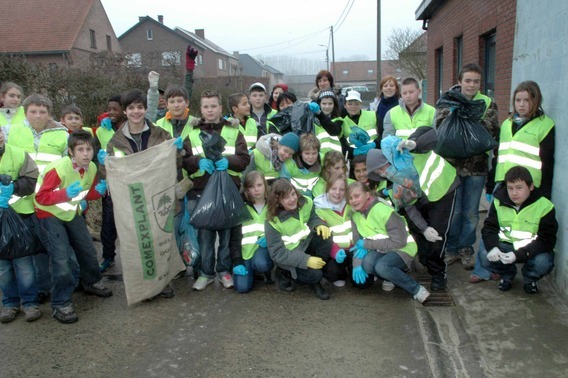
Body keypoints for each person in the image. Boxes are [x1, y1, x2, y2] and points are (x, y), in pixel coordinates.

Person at [99, 89, 184, 298]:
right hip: (133, 202)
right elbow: (111, 174)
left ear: (146, 109)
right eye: (131, 108)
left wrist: (178, 151)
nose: (136, 111)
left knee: (159, 241)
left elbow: (175, 165)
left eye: (140, 107)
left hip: (157, 197)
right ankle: (144, 286)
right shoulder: (115, 142)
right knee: (138, 244)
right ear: (125, 112)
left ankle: (162, 283)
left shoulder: (160, 134)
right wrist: (104, 167)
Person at [35, 130, 113, 324]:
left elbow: (86, 193)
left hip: (72, 213)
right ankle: (60, 303)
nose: (86, 153)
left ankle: (91, 282)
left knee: (87, 247)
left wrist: (98, 191)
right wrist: (64, 194)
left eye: (89, 149)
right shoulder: (59, 168)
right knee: (60, 258)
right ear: (71, 151)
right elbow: (40, 197)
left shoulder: (92, 168)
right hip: (49, 215)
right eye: (80, 149)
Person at [368, 128, 460, 292]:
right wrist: (424, 229)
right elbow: (410, 209)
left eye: (382, 167)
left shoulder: (402, 150)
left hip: (444, 189)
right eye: (378, 172)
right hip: (423, 199)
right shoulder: (393, 183)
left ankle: (438, 273)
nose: (383, 173)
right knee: (420, 232)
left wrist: (415, 143)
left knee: (438, 233)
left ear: (388, 158)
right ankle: (427, 260)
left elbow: (432, 135)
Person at [183, 90, 251, 291]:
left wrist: (227, 161)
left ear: (221, 108)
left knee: (226, 237)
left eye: (213, 106)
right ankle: (206, 273)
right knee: (205, 237)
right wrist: (197, 162)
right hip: (201, 191)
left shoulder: (233, 132)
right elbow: (184, 161)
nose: (210, 110)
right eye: (206, 106)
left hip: (228, 192)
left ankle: (223, 271)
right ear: (201, 109)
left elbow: (245, 159)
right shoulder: (192, 134)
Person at [7, 94, 71, 301]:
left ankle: (57, 285)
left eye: (42, 112)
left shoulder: (63, 134)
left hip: (51, 201)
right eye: (33, 111)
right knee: (29, 249)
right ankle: (38, 289)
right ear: (25, 113)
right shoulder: (12, 132)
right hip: (21, 201)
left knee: (55, 248)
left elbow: (67, 166)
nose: (37, 116)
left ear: (49, 113)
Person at [436, 64, 500, 269]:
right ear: (460, 81)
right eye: (468, 80)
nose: (471, 85)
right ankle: (451, 249)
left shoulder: (488, 103)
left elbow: (490, 132)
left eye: (476, 81)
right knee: (454, 212)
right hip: (451, 167)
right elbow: (441, 128)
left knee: (471, 213)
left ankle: (466, 250)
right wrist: (465, 115)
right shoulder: (448, 101)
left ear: (480, 83)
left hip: (477, 167)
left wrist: (466, 116)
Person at [474, 166, 556, 294]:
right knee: (485, 256)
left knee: (543, 262)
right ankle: (507, 275)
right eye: (510, 188)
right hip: (506, 246)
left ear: (531, 187)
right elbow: (489, 227)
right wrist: (492, 247)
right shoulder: (498, 202)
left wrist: (519, 254)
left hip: (531, 249)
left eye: (519, 187)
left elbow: (547, 240)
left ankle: (530, 278)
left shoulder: (544, 206)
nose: (514, 193)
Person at [348, 182, 430, 303]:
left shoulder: (383, 211)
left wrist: (367, 244)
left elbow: (399, 242)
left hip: (403, 248)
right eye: (350, 198)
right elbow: (358, 243)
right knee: (366, 263)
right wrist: (356, 265)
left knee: (382, 266)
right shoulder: (355, 215)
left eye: (357, 196)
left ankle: (417, 290)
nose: (353, 200)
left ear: (367, 194)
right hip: (382, 250)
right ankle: (391, 276)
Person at [265, 178, 332, 300]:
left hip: (306, 244)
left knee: (325, 236)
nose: (292, 199)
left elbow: (313, 217)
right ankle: (284, 272)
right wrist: (306, 261)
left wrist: (319, 224)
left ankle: (316, 269)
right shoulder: (272, 222)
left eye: (293, 194)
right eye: (286, 197)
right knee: (315, 275)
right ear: (278, 201)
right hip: (289, 256)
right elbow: (277, 254)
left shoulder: (306, 202)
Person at [0, 128, 42, 323]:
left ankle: (30, 303)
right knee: (3, 267)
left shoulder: (17, 154)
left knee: (24, 264)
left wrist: (14, 187)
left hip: (20, 218)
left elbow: (33, 180)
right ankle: (9, 304)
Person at [490, 80, 554, 200]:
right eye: (518, 100)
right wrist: (490, 182)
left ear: (536, 101)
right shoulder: (506, 124)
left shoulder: (545, 125)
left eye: (526, 100)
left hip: (529, 187)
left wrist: (545, 192)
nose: (521, 104)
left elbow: (547, 162)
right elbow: (498, 155)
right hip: (503, 183)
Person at [97, 95, 126, 273]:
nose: (111, 112)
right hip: (109, 183)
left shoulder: (129, 128)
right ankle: (108, 257)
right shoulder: (102, 130)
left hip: (127, 182)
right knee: (108, 224)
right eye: (109, 109)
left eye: (115, 109)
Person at [232, 171, 274, 293]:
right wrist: (237, 261)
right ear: (247, 189)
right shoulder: (241, 207)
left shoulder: (273, 205)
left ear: (265, 185)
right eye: (251, 187)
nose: (256, 190)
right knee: (242, 288)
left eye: (259, 185)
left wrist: (270, 239)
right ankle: (252, 272)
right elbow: (234, 238)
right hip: (245, 253)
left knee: (262, 264)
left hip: (263, 250)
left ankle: (265, 271)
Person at [313, 173, 350, 287]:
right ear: (327, 189)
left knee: (362, 283)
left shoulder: (351, 204)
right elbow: (325, 238)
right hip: (336, 250)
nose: (337, 193)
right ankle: (341, 272)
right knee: (331, 273)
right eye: (333, 188)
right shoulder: (320, 209)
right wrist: (335, 251)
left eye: (341, 189)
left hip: (355, 248)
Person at [281, 133, 322, 198]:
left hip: (316, 199)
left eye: (314, 153)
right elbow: (283, 186)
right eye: (307, 153)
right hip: (295, 199)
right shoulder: (290, 165)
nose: (311, 157)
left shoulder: (322, 161)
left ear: (318, 152)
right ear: (300, 153)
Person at [341, 91, 377, 159]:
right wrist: (352, 152)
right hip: (354, 160)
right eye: (350, 104)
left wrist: (375, 144)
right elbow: (342, 144)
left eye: (356, 104)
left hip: (374, 156)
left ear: (361, 104)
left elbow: (383, 134)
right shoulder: (342, 122)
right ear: (345, 105)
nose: (353, 107)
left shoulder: (373, 115)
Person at [308, 90, 344, 156]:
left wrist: (319, 113)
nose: (327, 107)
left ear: (334, 105)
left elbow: (334, 131)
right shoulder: (312, 120)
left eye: (330, 104)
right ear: (319, 104)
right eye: (324, 103)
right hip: (315, 159)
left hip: (334, 159)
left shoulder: (339, 120)